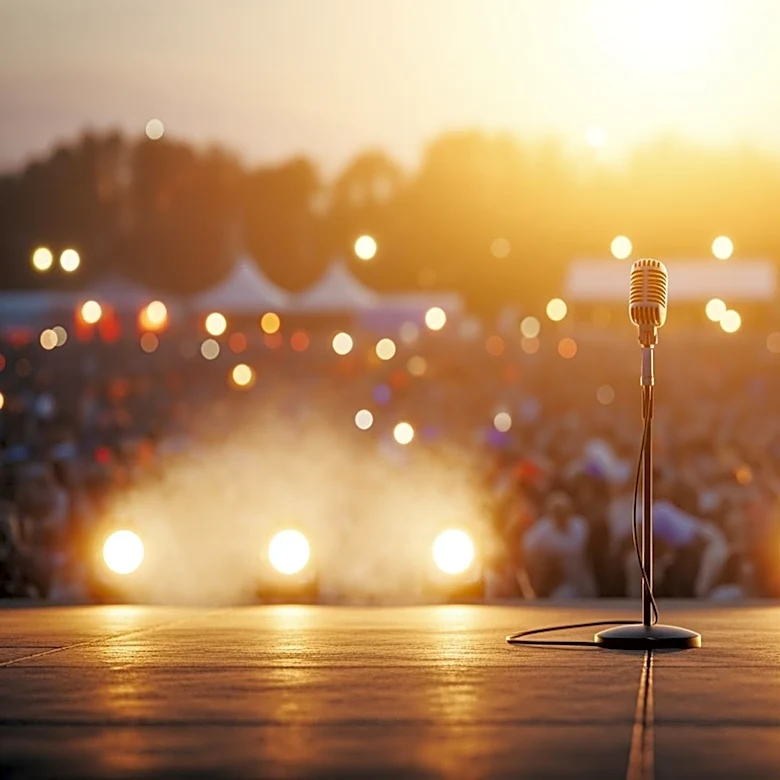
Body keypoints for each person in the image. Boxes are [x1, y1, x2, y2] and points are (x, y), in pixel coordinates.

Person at [523, 491, 597, 598]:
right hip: (557, 581)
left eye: (563, 511)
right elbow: (527, 552)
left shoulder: (581, 527)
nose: (560, 515)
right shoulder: (540, 532)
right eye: (556, 511)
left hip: (580, 575)